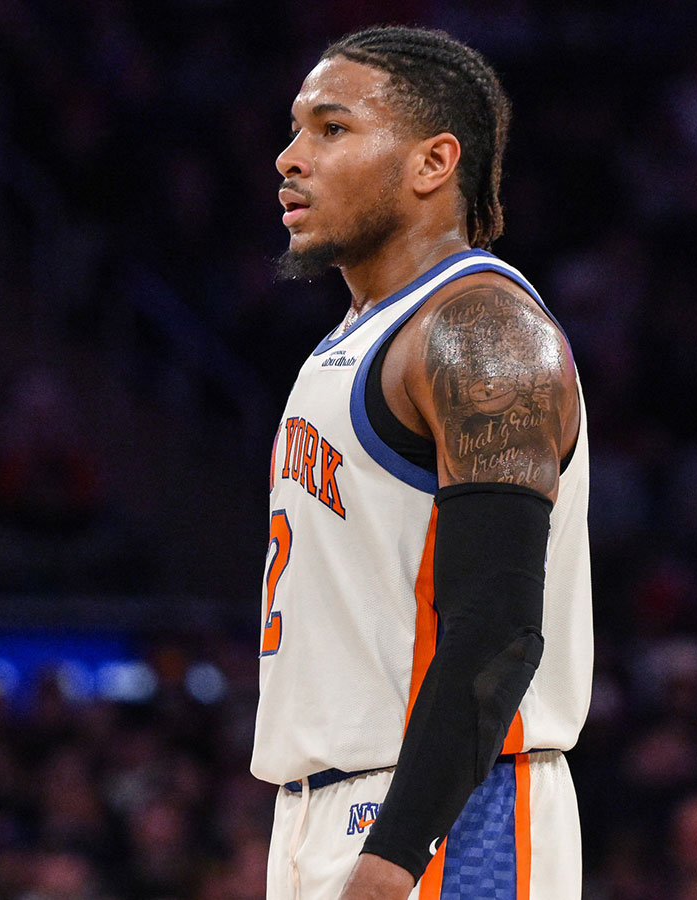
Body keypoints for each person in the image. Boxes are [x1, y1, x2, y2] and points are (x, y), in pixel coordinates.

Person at [252, 26, 592, 900]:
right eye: (295, 129)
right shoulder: (355, 336)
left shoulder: (483, 332)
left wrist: (396, 857)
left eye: (331, 129)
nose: (291, 158)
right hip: (324, 809)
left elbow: (495, 628)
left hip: (450, 820)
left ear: (434, 162)